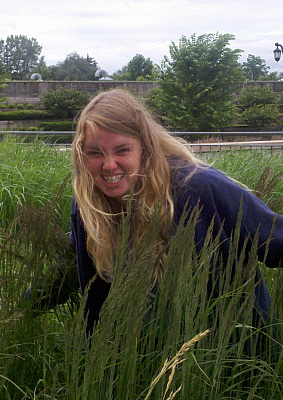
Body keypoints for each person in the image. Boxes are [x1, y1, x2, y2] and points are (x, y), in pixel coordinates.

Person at [69, 88, 283, 343]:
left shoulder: (198, 189)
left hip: (224, 362)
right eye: (95, 153)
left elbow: (276, 241)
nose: (109, 165)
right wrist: (25, 306)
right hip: (142, 367)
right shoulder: (88, 204)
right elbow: (73, 258)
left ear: (145, 147)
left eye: (122, 150)